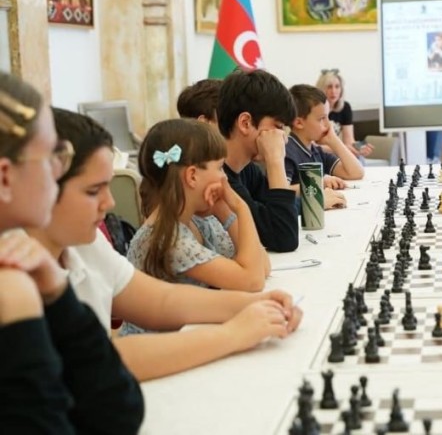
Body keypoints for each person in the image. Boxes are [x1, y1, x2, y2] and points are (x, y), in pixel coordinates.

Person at [25, 108, 302, 380]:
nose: (110, 203)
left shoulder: (85, 243)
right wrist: (233, 333)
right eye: (93, 190)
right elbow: (100, 360)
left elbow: (162, 300)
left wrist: (257, 302)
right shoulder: (20, 275)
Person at [0, 72, 144, 432]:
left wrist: (59, 295)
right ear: (5, 177)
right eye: (54, 157)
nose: (59, 171)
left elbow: (119, 412)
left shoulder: (31, 269)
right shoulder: (11, 289)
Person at [130, 118, 269, 292]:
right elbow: (253, 281)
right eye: (219, 167)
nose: (224, 177)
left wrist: (224, 212)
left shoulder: (198, 221)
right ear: (192, 176)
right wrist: (241, 208)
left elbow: (262, 266)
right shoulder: (167, 239)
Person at [217, 68, 300, 252]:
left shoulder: (246, 169)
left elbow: (279, 209)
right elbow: (284, 237)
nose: (283, 138)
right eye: (278, 127)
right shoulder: (220, 179)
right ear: (245, 123)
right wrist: (275, 160)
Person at [285, 85, 363, 209]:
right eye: (321, 119)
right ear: (299, 122)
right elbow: (282, 192)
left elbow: (356, 173)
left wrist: (334, 141)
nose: (328, 124)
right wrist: (317, 183)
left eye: (328, 117)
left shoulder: (315, 151)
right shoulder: (286, 151)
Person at [316, 69, 374, 161]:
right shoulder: (314, 109)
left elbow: (349, 141)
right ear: (321, 89)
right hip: (318, 153)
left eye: (337, 87)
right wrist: (341, 148)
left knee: (358, 159)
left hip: (336, 152)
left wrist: (359, 148)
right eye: (329, 87)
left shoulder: (345, 108)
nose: (333, 91)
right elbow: (312, 146)